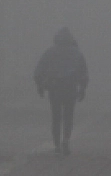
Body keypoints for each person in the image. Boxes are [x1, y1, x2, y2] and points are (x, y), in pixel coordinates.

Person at [34, 27, 89, 156]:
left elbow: (38, 72)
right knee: (68, 116)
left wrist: (40, 86)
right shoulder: (77, 53)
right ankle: (66, 140)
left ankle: (57, 144)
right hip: (70, 87)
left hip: (55, 87)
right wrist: (82, 89)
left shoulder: (49, 52)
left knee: (56, 116)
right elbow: (83, 73)